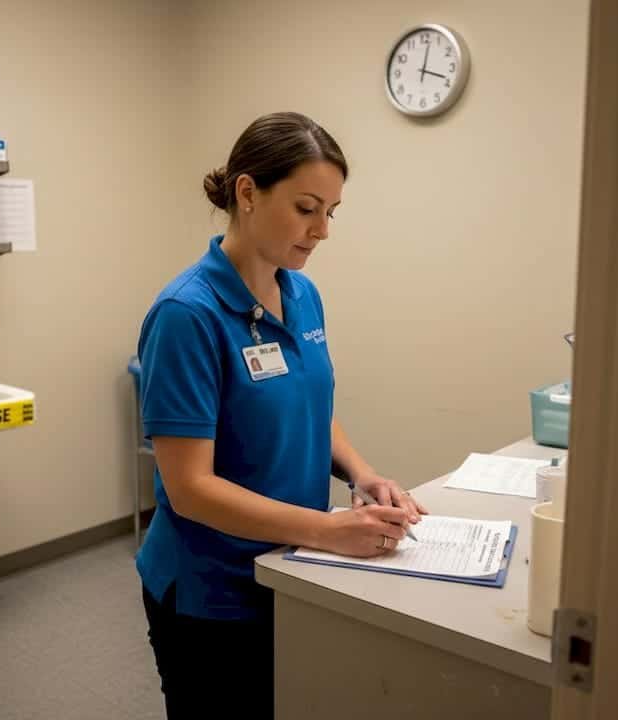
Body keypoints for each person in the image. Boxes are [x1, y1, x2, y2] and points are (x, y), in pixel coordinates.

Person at [136, 112, 428, 719]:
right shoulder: (187, 315)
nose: (323, 230)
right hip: (211, 594)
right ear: (248, 193)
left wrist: (361, 474)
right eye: (306, 208)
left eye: (332, 211)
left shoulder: (300, 291)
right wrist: (326, 531)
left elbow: (311, 407)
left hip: (289, 566)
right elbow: (190, 490)